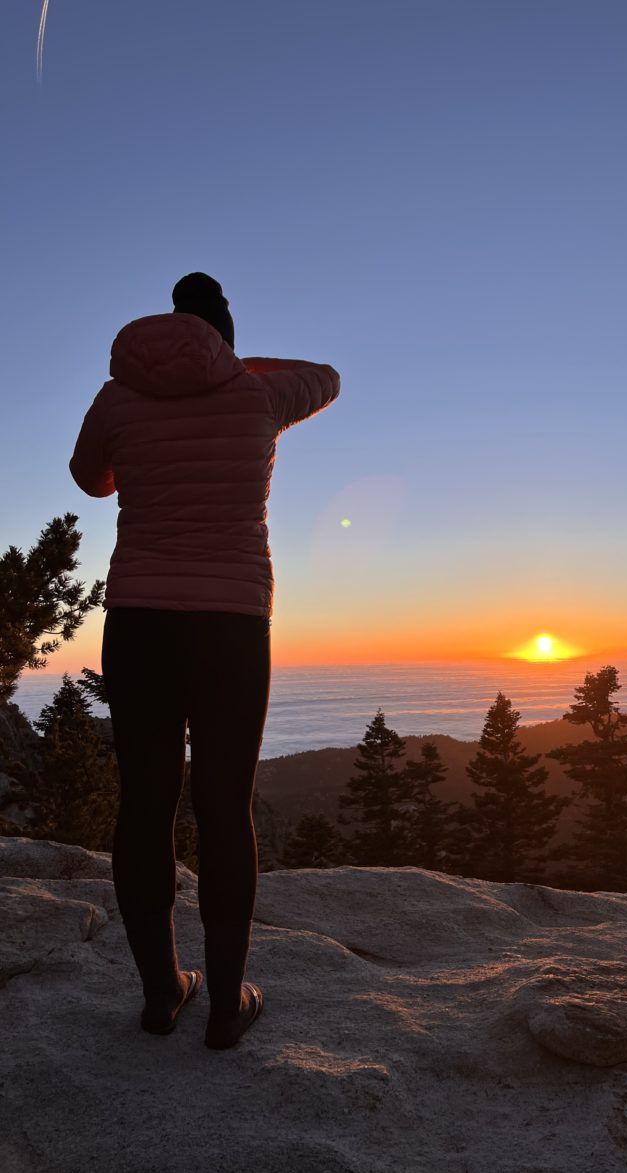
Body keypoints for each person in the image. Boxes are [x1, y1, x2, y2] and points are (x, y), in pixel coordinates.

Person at [70, 272, 340, 1048]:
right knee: (225, 805)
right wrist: (232, 363)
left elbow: (91, 480)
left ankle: (162, 994)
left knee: (144, 803)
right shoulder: (260, 394)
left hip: (139, 621)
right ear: (224, 334)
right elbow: (328, 377)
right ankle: (225, 1006)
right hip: (230, 625)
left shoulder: (117, 396)